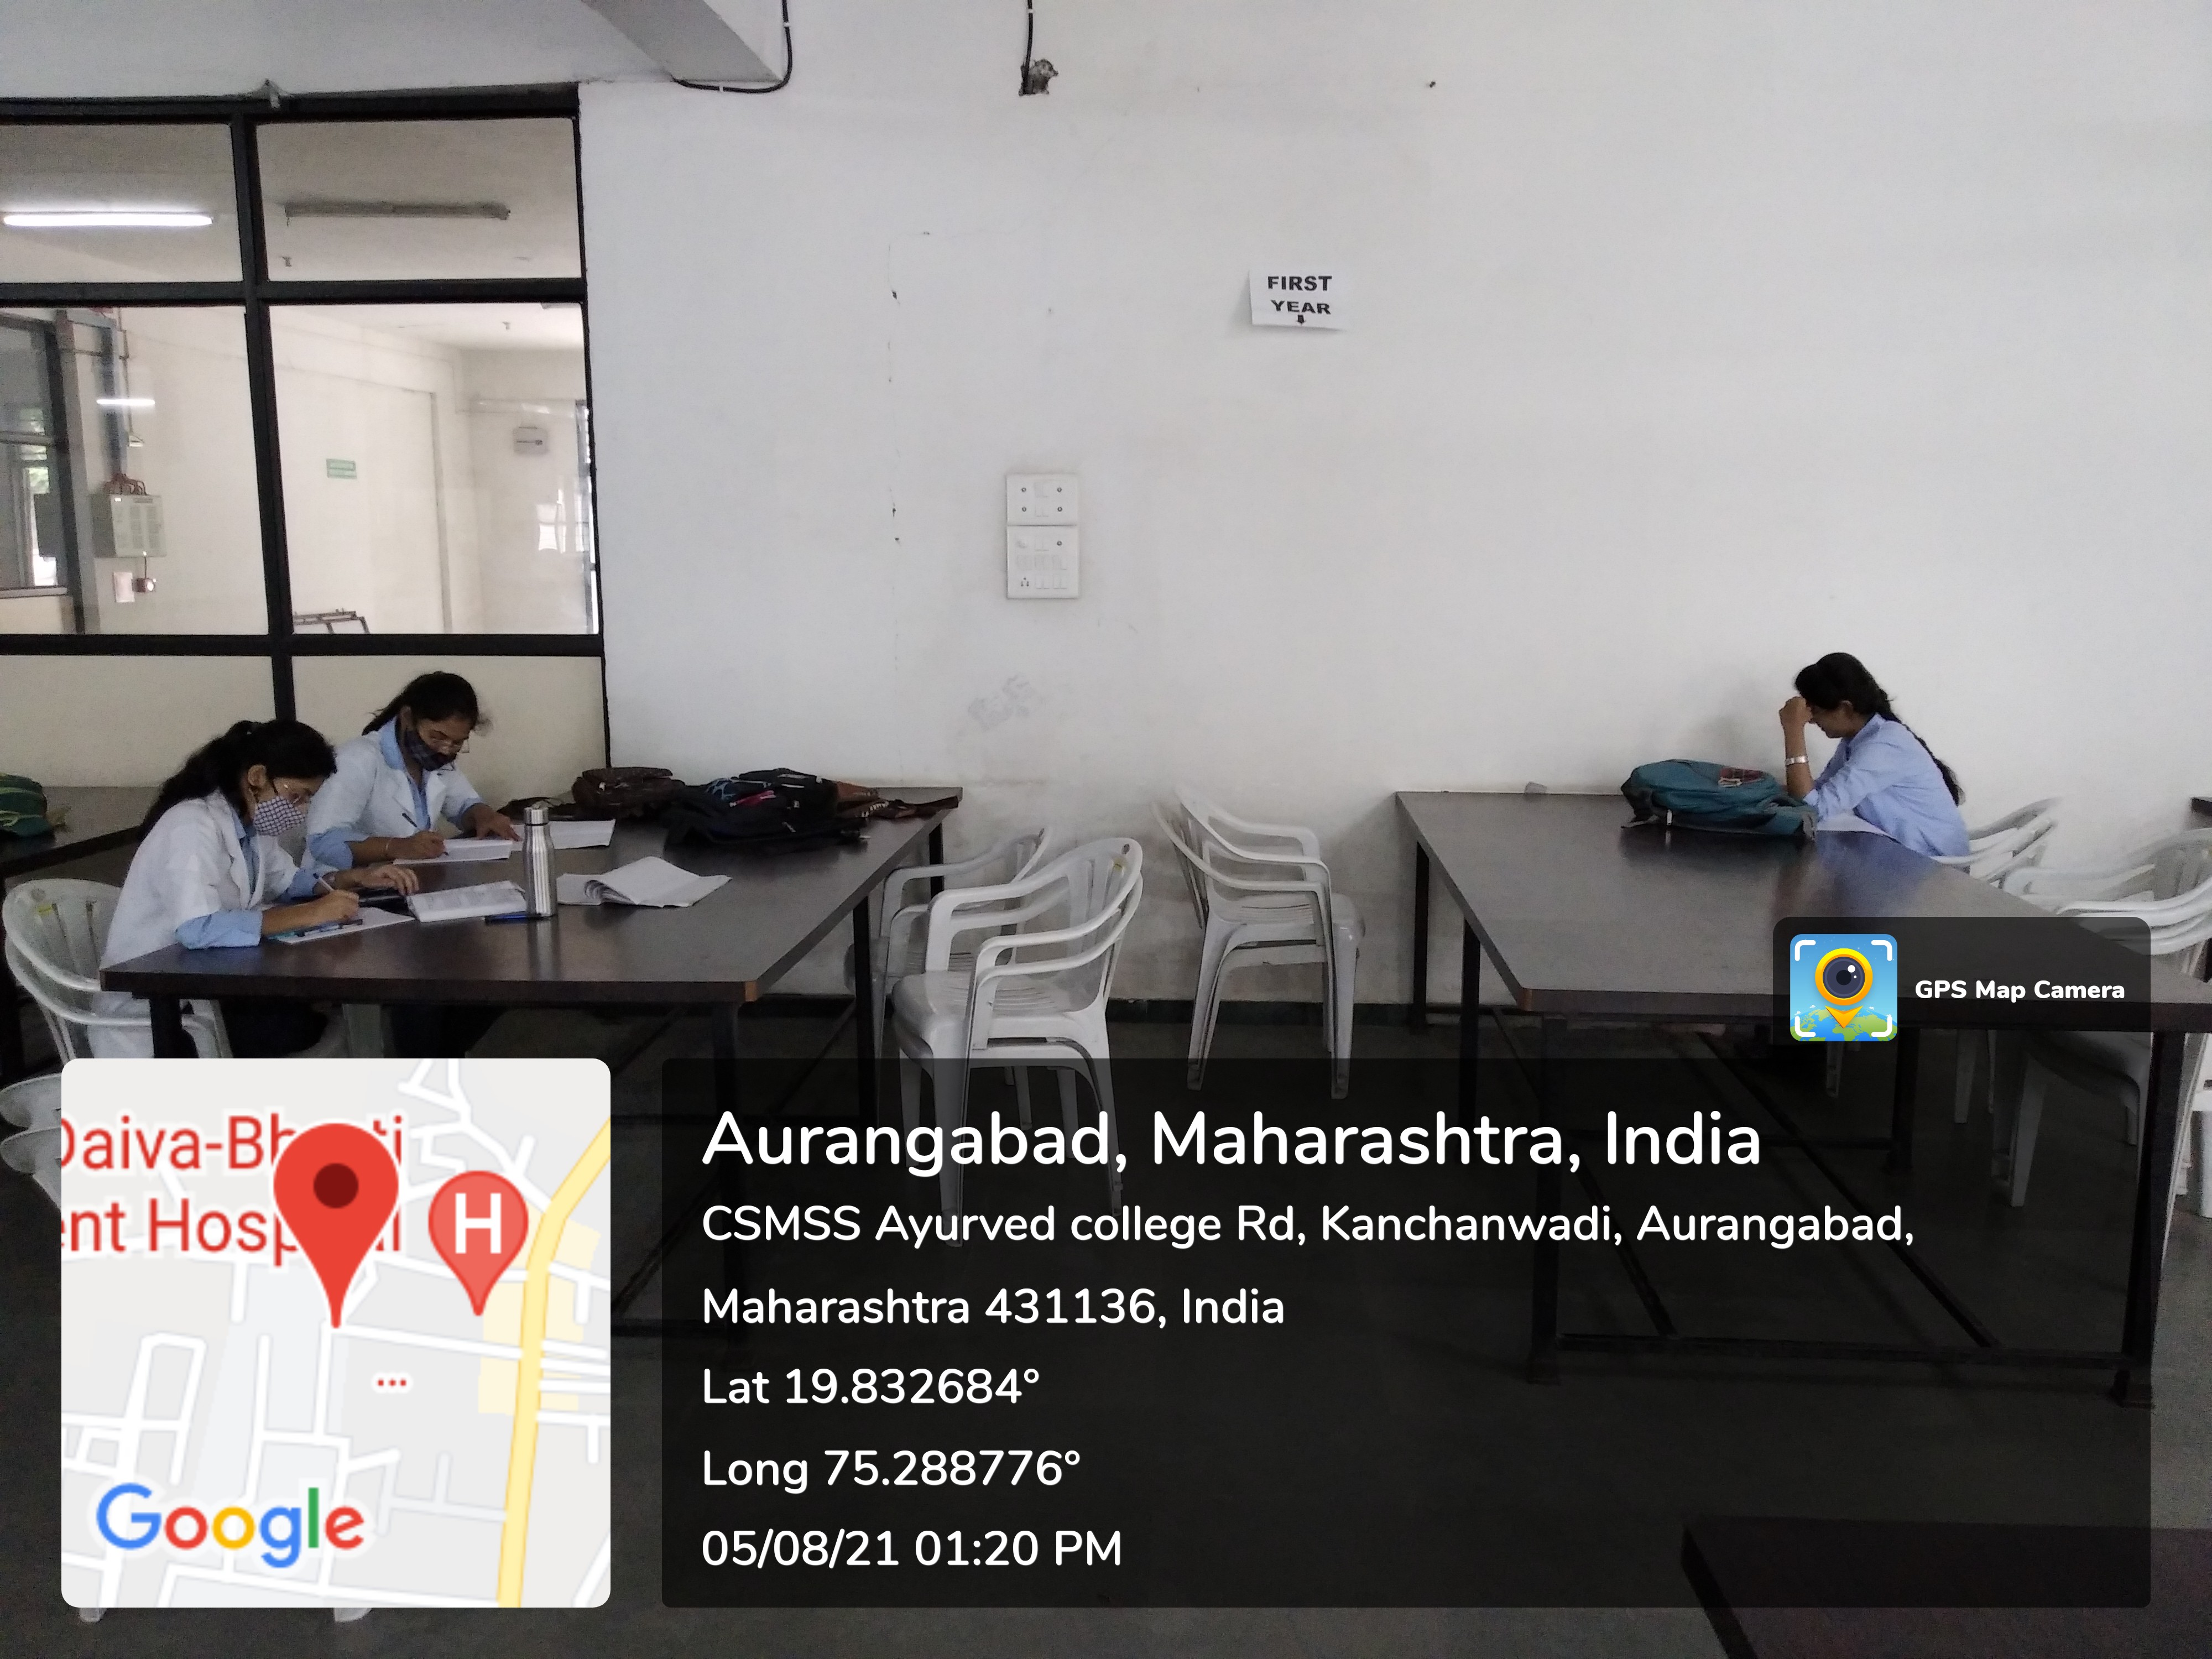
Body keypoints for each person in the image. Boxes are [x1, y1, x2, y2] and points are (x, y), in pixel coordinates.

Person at [95, 719, 418, 1057]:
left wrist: (355, 878)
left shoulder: (251, 827)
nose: (302, 810)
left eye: (309, 799)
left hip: (206, 983)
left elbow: (288, 881)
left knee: (311, 1015)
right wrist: (311, 914)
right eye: (297, 796)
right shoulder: (191, 825)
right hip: (158, 1005)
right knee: (297, 1027)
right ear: (258, 777)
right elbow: (197, 928)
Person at [305, 671, 517, 871]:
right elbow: (323, 841)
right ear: (407, 717)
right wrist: (395, 847)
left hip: (406, 878)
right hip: (340, 884)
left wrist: (484, 815)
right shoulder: (357, 759)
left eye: (458, 743)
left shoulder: (436, 760)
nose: (446, 750)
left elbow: (463, 806)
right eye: (437, 737)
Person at [1779, 653, 1969, 859]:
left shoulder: (1884, 745)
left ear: (1846, 709)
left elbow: (1813, 810)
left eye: (1814, 711)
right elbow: (1817, 792)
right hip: (1903, 854)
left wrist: (1793, 729)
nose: (1811, 720)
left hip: (1934, 866)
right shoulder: (1857, 740)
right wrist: (1769, 790)